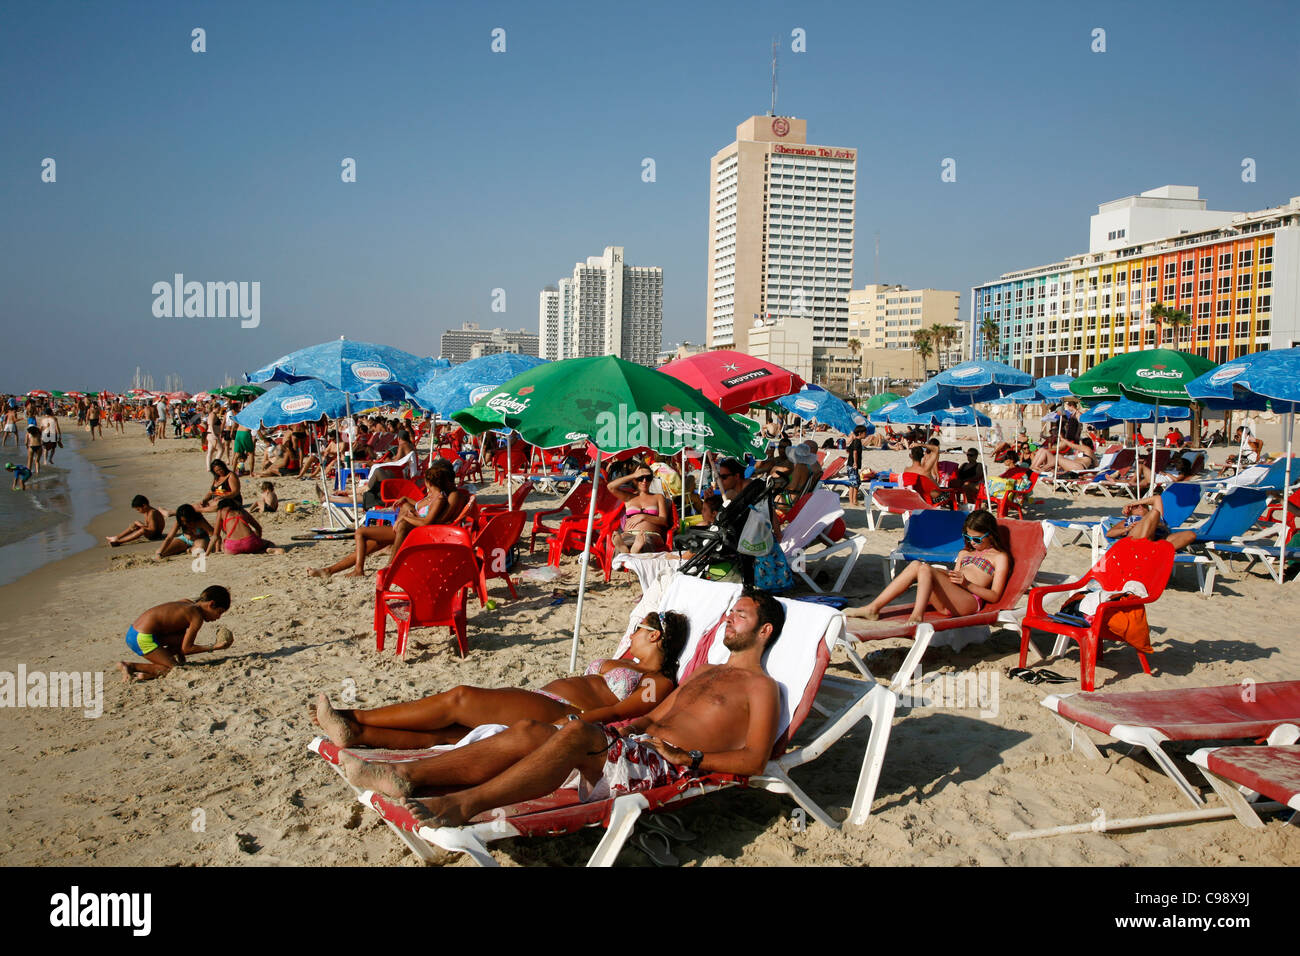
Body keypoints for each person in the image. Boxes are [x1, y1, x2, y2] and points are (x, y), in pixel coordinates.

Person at [336, 591, 785, 824]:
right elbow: (651, 714)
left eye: (740, 616)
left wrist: (693, 758)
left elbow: (755, 758)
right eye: (730, 613)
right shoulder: (703, 671)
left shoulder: (762, 688)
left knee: (567, 732)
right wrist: (635, 728)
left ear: (764, 631)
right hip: (635, 746)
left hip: (668, 769)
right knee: (532, 730)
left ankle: (462, 804)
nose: (729, 619)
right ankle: (408, 776)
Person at [314, 611, 690, 748]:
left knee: (459, 700)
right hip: (546, 700)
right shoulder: (626, 659)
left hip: (564, 710)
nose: (633, 633)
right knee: (453, 734)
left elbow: (618, 712)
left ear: (655, 635)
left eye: (639, 627)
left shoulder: (658, 682)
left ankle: (355, 716)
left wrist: (569, 723)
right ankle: (359, 735)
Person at [847, 509, 1012, 625]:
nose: (972, 543)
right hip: (949, 598)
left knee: (926, 568)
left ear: (990, 534)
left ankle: (917, 616)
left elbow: (995, 596)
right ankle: (872, 608)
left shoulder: (999, 557)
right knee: (916, 565)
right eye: (968, 538)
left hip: (969, 601)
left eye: (977, 539)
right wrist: (948, 575)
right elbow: (952, 579)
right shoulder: (964, 554)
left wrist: (967, 584)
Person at [310, 461, 464, 578]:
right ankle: (330, 570)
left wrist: (408, 517)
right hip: (410, 529)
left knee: (365, 536)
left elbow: (436, 522)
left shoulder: (450, 496)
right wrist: (408, 506)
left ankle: (380, 567)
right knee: (370, 545)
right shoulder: (438, 494)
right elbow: (426, 513)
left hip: (417, 533)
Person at [118, 585, 233, 682]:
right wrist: (214, 647)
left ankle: (148, 674)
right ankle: (131, 666)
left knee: (178, 643)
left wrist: (180, 657)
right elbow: (187, 648)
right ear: (211, 604)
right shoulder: (196, 617)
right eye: (219, 612)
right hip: (142, 637)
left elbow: (180, 636)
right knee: (172, 669)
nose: (218, 617)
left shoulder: (186, 602)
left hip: (134, 632)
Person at [608, 462, 671, 554]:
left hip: (650, 534)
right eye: (640, 478)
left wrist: (643, 516)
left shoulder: (658, 497)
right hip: (629, 534)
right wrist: (633, 475)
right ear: (634, 480)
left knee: (645, 542)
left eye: (648, 478)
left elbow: (664, 521)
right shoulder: (628, 497)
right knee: (627, 541)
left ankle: (628, 551)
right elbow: (610, 487)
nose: (644, 481)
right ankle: (631, 550)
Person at [1106, 493, 1198, 551]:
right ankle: (1147, 549)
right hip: (1136, 540)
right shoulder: (1128, 520)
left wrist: (1132, 504)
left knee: (1191, 535)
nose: (1140, 507)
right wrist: (1126, 529)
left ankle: (1157, 552)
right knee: (1154, 512)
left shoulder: (1157, 516)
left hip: (1157, 541)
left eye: (1143, 505)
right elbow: (1109, 533)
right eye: (1136, 507)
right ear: (1130, 512)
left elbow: (1157, 498)